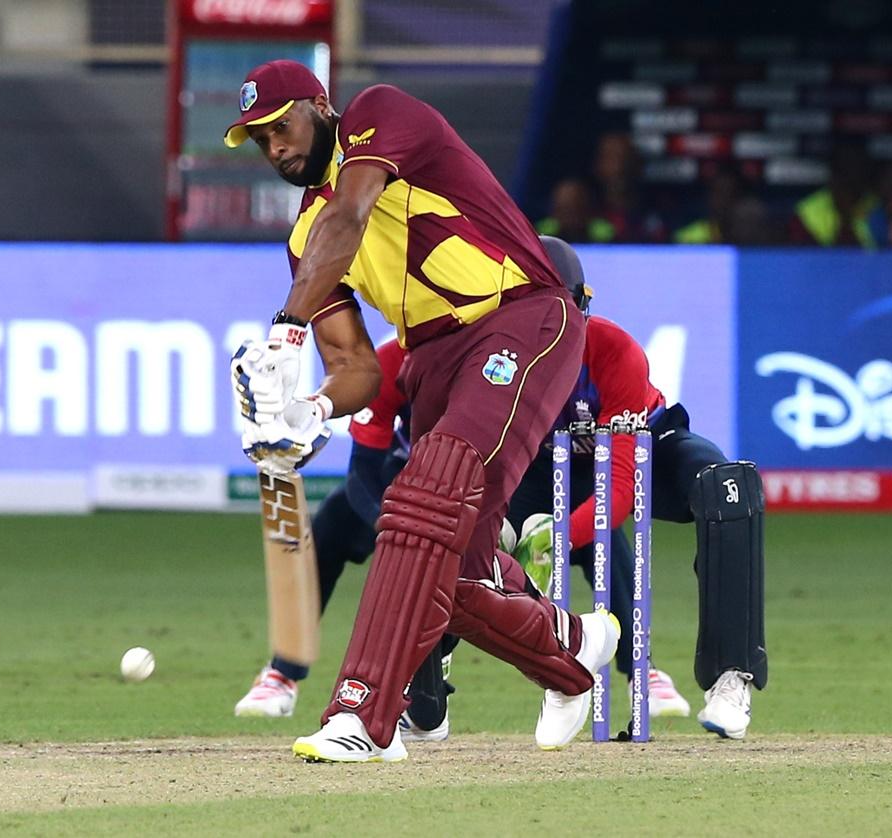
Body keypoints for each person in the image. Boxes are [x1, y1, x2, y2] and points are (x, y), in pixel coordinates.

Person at [223, 60, 619, 763]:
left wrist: (285, 328)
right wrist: (310, 411)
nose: (276, 148)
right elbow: (355, 369)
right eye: (259, 140)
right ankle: (574, 649)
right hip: (430, 361)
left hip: (518, 318)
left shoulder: (380, 115)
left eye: (282, 127)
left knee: (417, 505)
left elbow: (352, 212)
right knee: (455, 567)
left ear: (319, 107)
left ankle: (362, 714)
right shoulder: (304, 241)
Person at [508, 236, 768, 739]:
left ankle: (730, 677)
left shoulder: (614, 351)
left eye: (563, 313)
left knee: (728, 494)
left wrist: (557, 537)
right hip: (543, 466)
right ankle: (421, 699)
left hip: (646, 449)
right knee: (459, 529)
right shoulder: (502, 358)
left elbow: (621, 487)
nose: (553, 332)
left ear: (584, 305)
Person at [233, 338, 457, 742]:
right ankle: (282, 673)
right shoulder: (392, 360)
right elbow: (363, 472)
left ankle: (432, 676)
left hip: (469, 490)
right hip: (404, 481)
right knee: (332, 524)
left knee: (455, 569)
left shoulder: (489, 361)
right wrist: (389, 528)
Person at [788, 139, 879, 249]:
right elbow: (808, 260)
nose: (851, 177)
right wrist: (844, 217)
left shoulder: (876, 206)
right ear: (834, 175)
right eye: (844, 171)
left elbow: (885, 256)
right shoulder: (808, 211)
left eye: (857, 168)